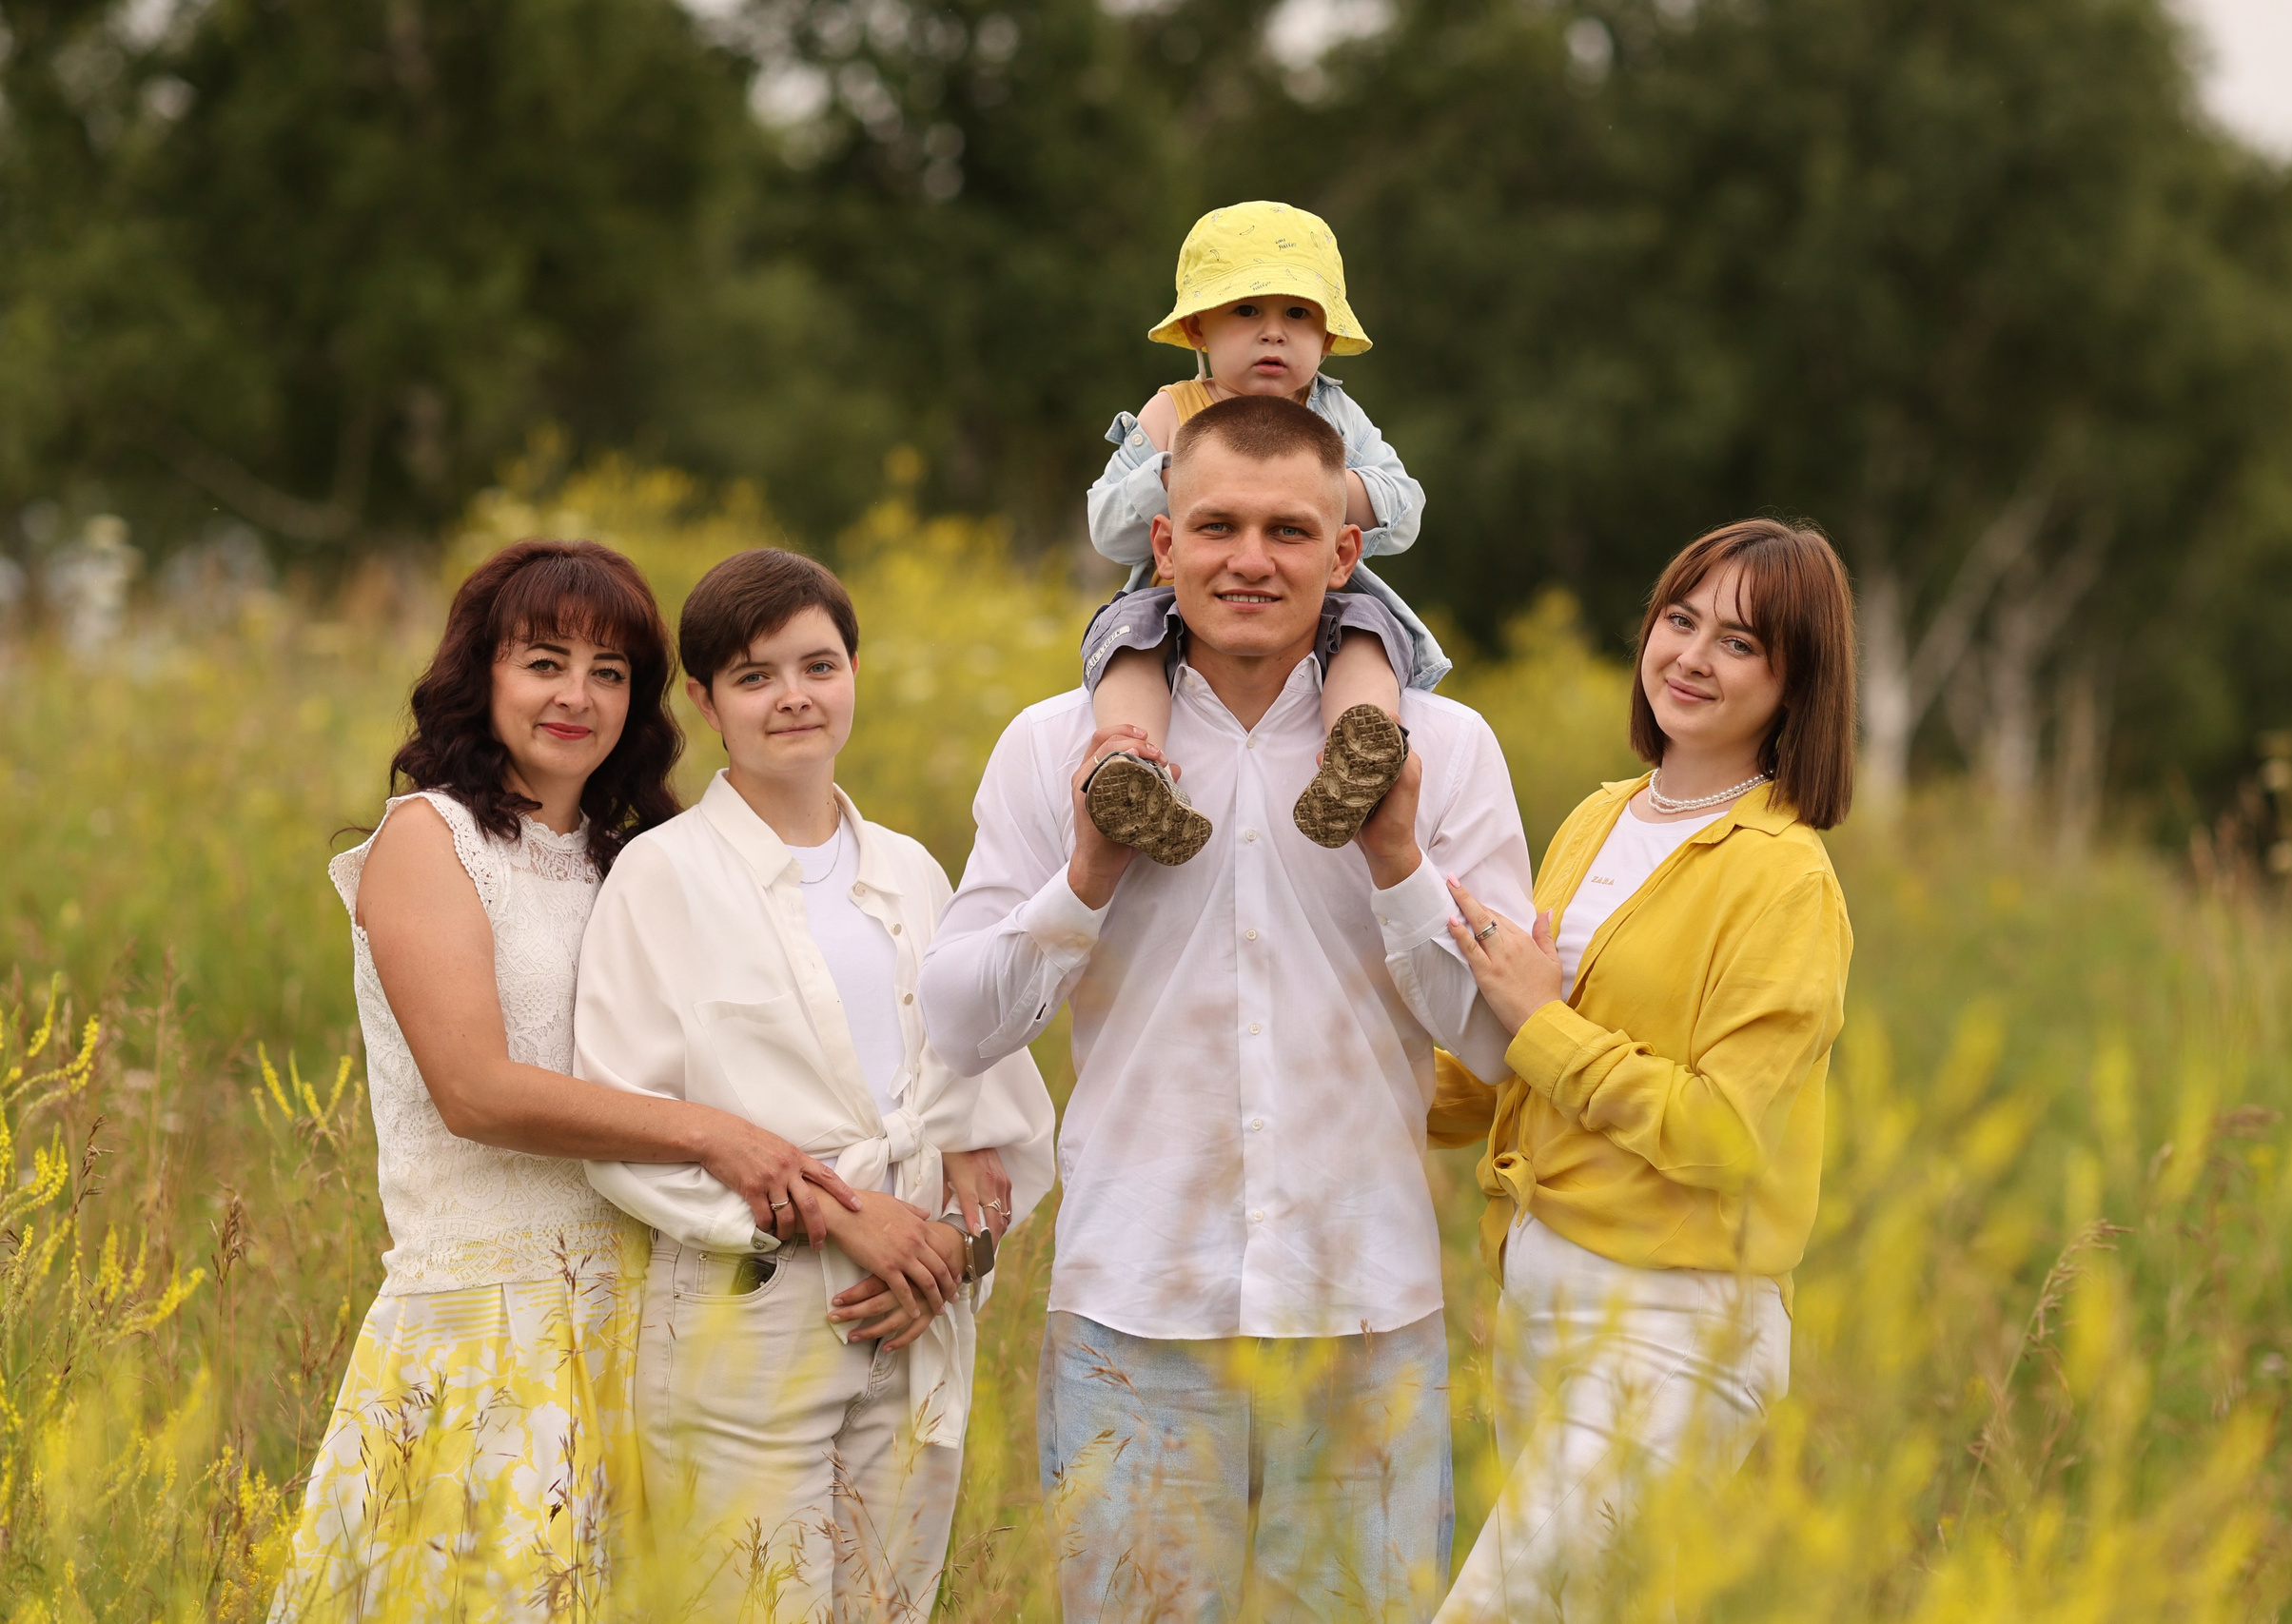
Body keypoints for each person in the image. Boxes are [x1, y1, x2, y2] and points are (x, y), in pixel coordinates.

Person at [921, 393, 1536, 1623]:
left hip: (1364, 1306)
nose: (1249, 558)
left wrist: (1400, 856)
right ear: (1160, 545)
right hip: (1132, 1308)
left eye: (1287, 531)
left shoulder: (1446, 747)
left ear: (1345, 553)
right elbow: (957, 1017)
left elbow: (1491, 1035)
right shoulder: (1060, 746)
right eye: (1215, 526)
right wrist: (1088, 874)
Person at [273, 539, 863, 1623]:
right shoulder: (428, 840)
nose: (575, 696)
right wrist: (709, 1135)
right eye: (543, 661)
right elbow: (477, 1091)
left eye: (609, 671)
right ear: (481, 674)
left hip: (641, 1308)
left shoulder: (627, 858)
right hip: (489, 1320)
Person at [573, 548, 1057, 1619]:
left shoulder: (912, 870)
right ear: (702, 701)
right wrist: (848, 1220)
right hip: (749, 1315)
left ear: (852, 673)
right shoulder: (663, 876)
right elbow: (629, 1123)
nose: (793, 697)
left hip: (915, 1301)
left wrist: (951, 1249)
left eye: (818, 665)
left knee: (888, 1602)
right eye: (754, 676)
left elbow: (989, 1095)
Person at [1428, 519, 1858, 1621]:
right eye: (1680, 620)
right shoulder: (1598, 817)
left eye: (1739, 644)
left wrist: (1538, 1018)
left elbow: (1724, 1131)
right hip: (1536, 1299)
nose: (1690, 658)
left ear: (1795, 684)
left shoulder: (1785, 878)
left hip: (1676, 1320)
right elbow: (1499, 1071)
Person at [1080, 199, 1450, 864]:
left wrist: (1324, 491)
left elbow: (1406, 507)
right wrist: (1181, 471)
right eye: (1247, 312)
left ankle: (1358, 752)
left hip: (1316, 594)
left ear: (1328, 337)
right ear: (1198, 328)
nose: (1273, 334)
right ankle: (1129, 768)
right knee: (1128, 638)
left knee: (1368, 631)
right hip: (1178, 596)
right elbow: (1108, 527)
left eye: (1298, 315)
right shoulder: (1173, 411)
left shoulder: (1335, 414)